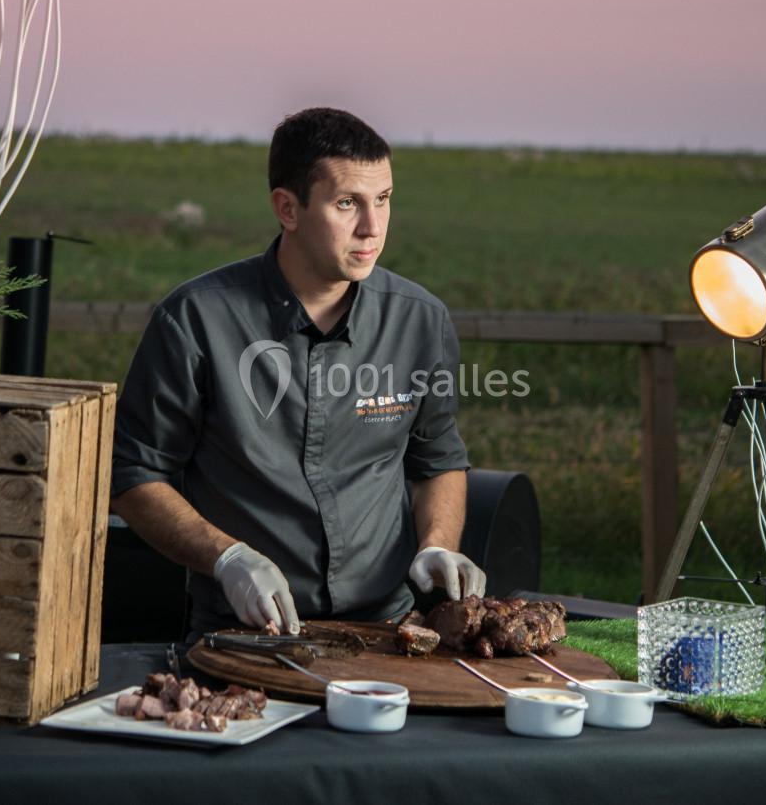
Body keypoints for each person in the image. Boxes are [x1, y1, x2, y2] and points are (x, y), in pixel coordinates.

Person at [110, 107, 486, 636]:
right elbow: (134, 475)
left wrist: (437, 546)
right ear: (287, 208)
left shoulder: (420, 321)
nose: (372, 228)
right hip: (243, 633)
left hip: (390, 629)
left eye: (383, 200)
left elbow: (438, 458)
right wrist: (228, 558)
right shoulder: (196, 320)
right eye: (347, 203)